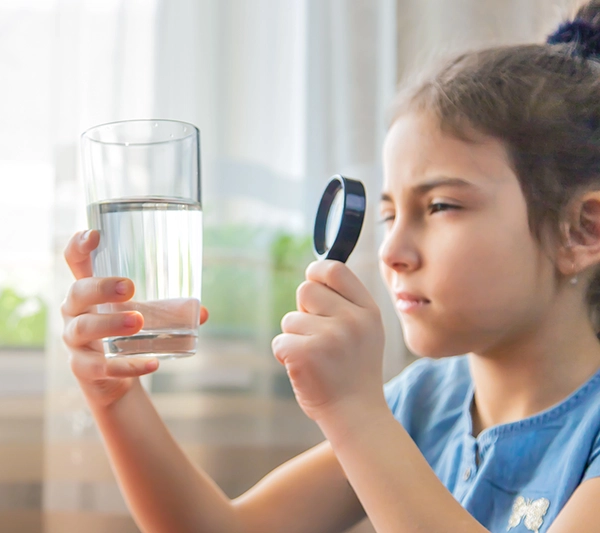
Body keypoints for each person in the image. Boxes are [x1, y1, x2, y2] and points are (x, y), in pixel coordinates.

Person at [61, 2, 600, 531]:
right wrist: (114, 396)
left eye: (440, 206)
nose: (391, 252)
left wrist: (355, 413)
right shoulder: (423, 401)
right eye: (389, 214)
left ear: (582, 231)